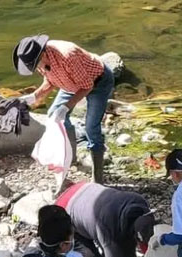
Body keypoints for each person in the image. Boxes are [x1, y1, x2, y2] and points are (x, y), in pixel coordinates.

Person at [13, 35, 115, 184]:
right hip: (70, 83)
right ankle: (71, 158)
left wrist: (66, 107)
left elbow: (87, 86)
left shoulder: (68, 55)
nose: (37, 69)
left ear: (42, 54)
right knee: (54, 115)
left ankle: (98, 179)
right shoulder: (39, 59)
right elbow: (51, 80)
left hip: (98, 82)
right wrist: (34, 96)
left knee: (91, 127)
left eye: (36, 65)